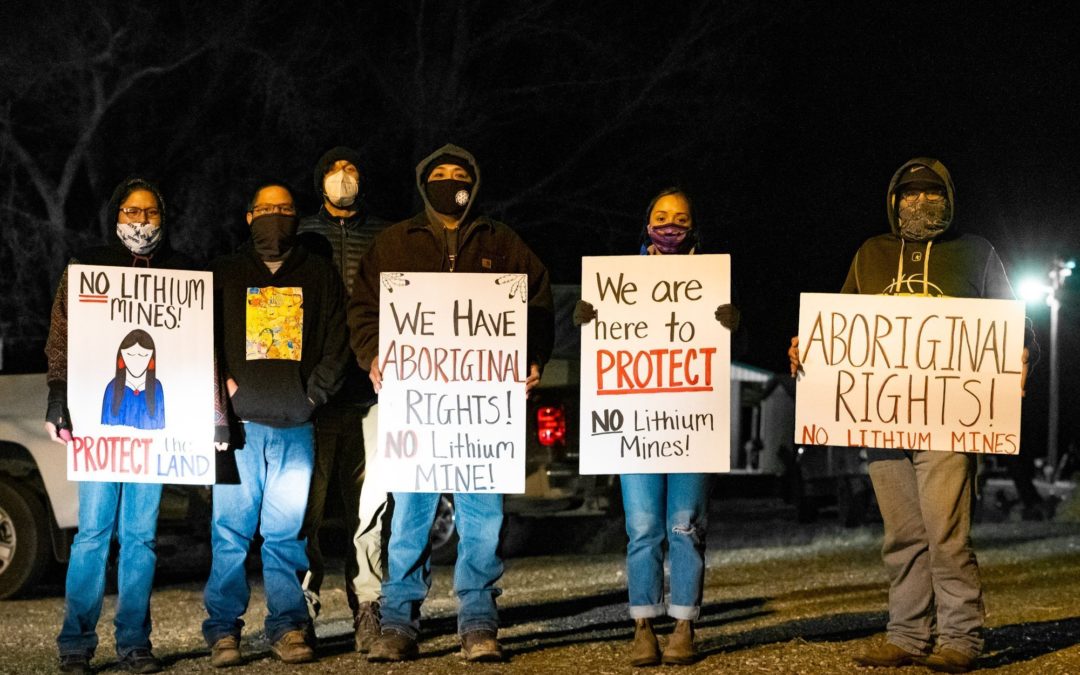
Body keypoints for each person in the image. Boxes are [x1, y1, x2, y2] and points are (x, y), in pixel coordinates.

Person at [788, 158, 1032, 673]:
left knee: (946, 532)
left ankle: (961, 637)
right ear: (893, 199)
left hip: (950, 421)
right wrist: (807, 348)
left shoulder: (977, 253)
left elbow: (1015, 326)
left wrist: (1022, 350)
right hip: (882, 420)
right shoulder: (871, 255)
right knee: (902, 533)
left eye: (931, 192)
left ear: (948, 197)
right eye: (909, 193)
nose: (920, 202)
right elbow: (842, 326)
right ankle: (906, 634)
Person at [348, 144, 554, 663]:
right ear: (424, 185)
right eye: (438, 174)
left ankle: (479, 621)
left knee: (482, 518)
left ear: (474, 184)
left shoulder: (502, 242)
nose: (449, 180)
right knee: (411, 516)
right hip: (417, 408)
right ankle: (398, 623)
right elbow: (363, 309)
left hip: (482, 414)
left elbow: (539, 301)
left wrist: (532, 357)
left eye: (458, 174)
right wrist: (373, 355)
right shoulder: (394, 243)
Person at [573, 187, 739, 666]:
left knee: (686, 525)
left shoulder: (711, 280)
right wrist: (588, 319)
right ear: (646, 225)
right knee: (643, 527)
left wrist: (734, 322)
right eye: (661, 217)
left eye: (680, 217)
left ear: (693, 227)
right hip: (636, 426)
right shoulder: (618, 283)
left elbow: (732, 347)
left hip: (690, 423)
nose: (670, 225)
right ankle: (643, 625)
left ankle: (684, 625)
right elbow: (602, 347)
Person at [46, 177, 193, 675]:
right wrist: (57, 397)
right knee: (92, 535)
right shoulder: (88, 266)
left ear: (163, 216)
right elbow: (62, 334)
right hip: (98, 434)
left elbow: (196, 351)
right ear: (115, 215)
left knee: (141, 538)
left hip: (151, 439)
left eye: (150, 212)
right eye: (131, 211)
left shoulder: (182, 273)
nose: (141, 221)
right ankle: (75, 645)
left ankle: (134, 643)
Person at [202, 182, 349, 667]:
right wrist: (221, 389)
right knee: (229, 534)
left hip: (295, 427)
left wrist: (313, 395)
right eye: (266, 209)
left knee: (287, 536)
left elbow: (337, 342)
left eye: (284, 209)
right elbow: (202, 337)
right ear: (249, 217)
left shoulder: (319, 273)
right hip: (238, 430)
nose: (275, 216)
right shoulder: (223, 273)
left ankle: (287, 627)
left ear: (296, 218)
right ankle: (223, 631)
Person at [295, 146, 390, 651]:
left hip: (372, 395)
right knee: (305, 508)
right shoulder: (302, 236)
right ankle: (300, 612)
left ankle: (369, 607)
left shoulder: (388, 236)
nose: (344, 178)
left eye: (352, 169)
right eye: (334, 171)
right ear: (320, 182)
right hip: (316, 397)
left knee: (371, 507)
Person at [100, 329, 165, 430]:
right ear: (121, 357)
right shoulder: (112, 387)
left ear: (151, 359)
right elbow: (104, 427)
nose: (137, 361)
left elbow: (160, 425)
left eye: (144, 355)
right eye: (130, 355)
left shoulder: (156, 387)